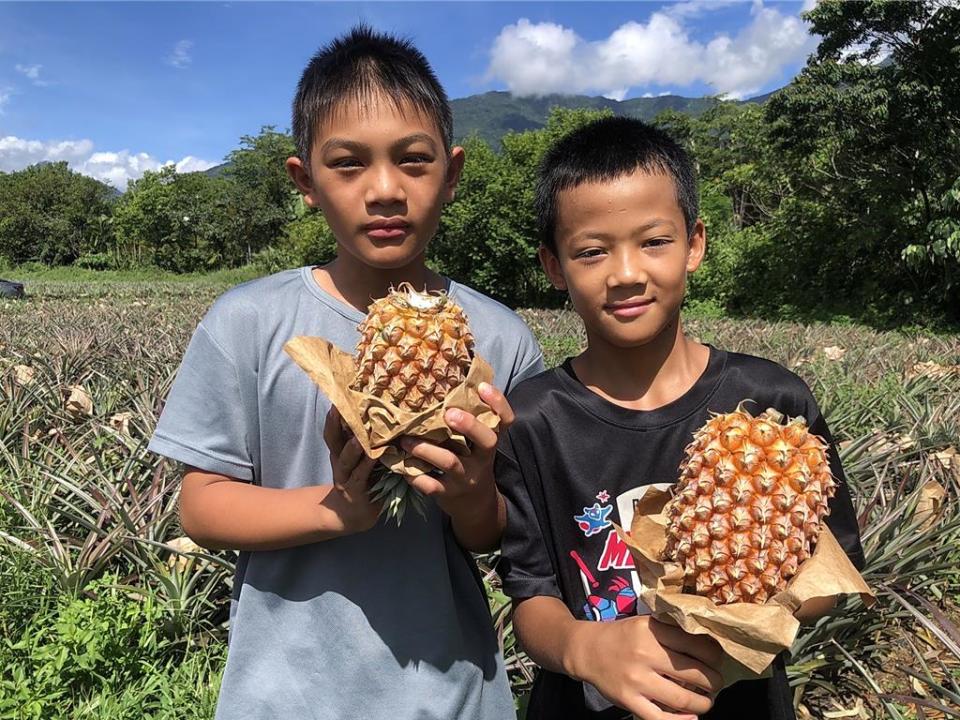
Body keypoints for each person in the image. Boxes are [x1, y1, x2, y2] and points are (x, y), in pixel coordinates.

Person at [148, 25, 543, 720]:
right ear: (305, 181)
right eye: (349, 164)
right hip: (283, 695)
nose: (385, 190)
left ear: (450, 175)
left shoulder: (502, 337)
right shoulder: (246, 323)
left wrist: (472, 497)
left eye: (413, 161)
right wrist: (339, 510)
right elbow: (201, 506)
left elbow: (498, 535)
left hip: (454, 694)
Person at [495, 116, 865, 720]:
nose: (626, 273)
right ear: (554, 265)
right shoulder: (532, 419)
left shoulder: (774, 402)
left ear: (695, 243)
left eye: (654, 241)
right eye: (592, 251)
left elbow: (833, 565)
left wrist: (741, 614)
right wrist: (584, 647)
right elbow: (531, 595)